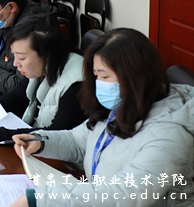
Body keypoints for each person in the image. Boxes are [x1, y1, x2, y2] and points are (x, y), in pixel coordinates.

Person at [10, 28, 194, 207]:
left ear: (135, 77)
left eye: (104, 77)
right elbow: (78, 141)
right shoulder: (121, 106)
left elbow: (124, 194)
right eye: (96, 75)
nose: (98, 84)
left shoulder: (171, 134)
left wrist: (42, 199)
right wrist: (40, 142)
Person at [0, 13, 85, 144]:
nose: (15, 64)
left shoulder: (77, 84)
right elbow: (17, 98)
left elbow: (56, 135)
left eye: (22, 58)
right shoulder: (43, 66)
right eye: (14, 55)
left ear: (47, 55)